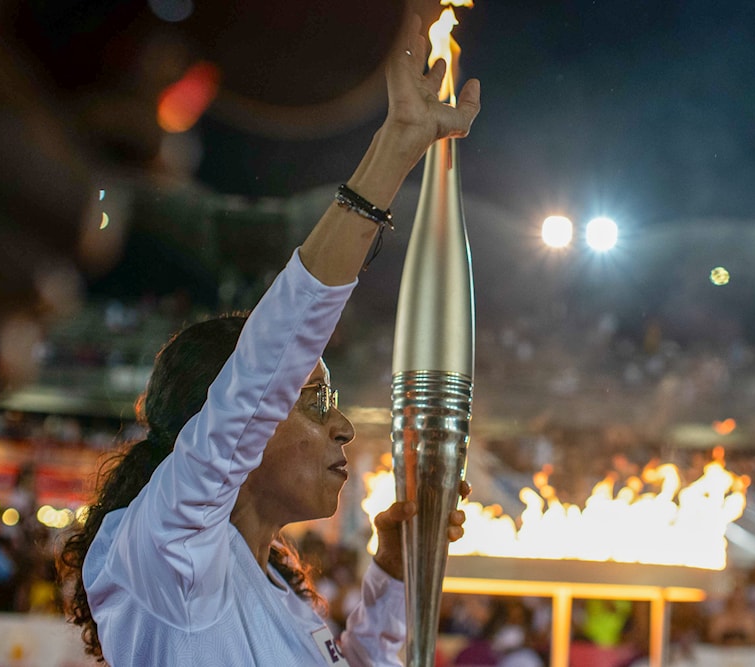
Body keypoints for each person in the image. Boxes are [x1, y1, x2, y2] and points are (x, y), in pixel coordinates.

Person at [56, 14, 481, 666]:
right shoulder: (167, 555)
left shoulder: (277, 594)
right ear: (225, 426)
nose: (340, 425)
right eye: (310, 399)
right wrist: (393, 151)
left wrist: (394, 572)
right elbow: (265, 365)